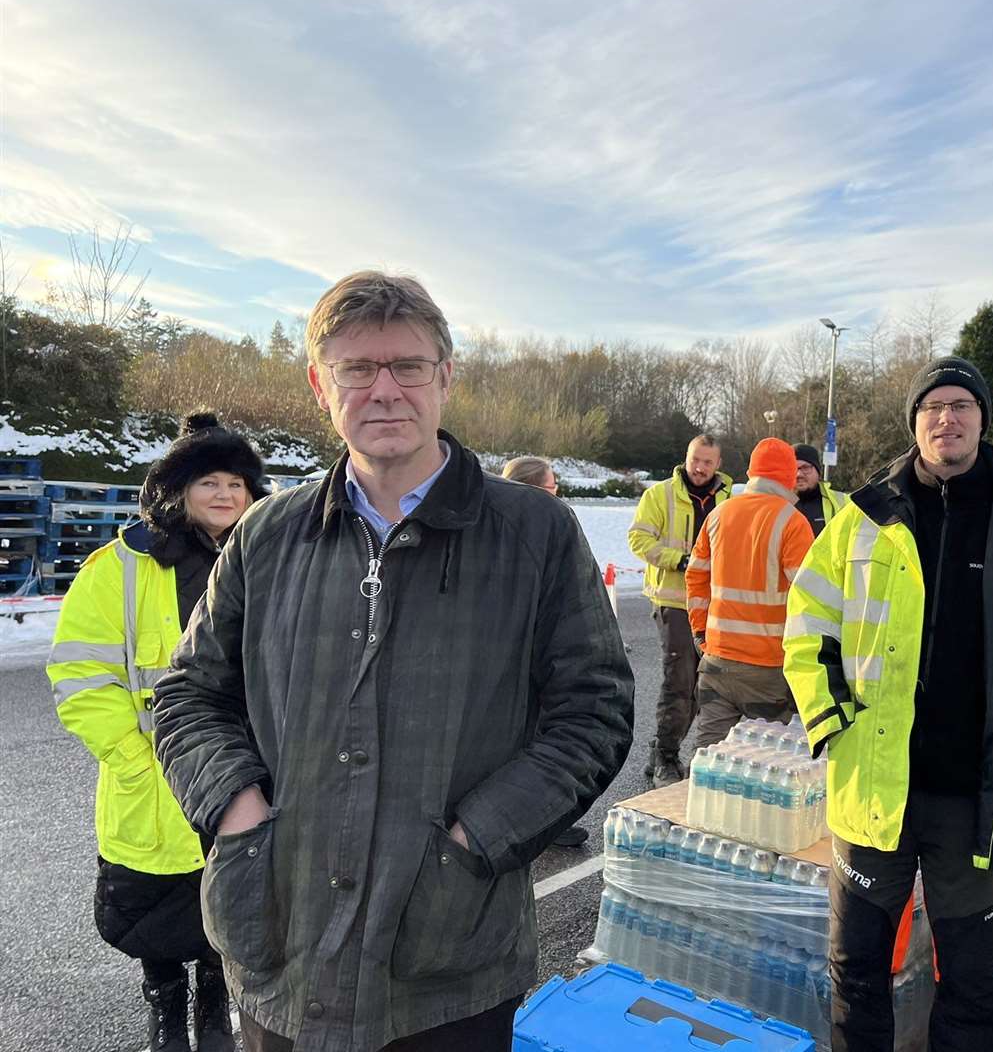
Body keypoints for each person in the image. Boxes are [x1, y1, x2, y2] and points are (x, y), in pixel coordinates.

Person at [153, 271, 634, 1052]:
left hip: (449, 962)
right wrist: (240, 815)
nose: (384, 390)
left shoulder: (535, 533)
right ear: (320, 385)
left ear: (444, 378)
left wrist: (473, 842)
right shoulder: (268, 534)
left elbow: (594, 714)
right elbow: (186, 695)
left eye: (407, 366)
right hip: (283, 943)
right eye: (356, 369)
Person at [783, 357, 993, 1052]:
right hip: (873, 791)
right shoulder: (861, 518)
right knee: (857, 973)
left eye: (961, 405)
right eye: (933, 407)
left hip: (978, 802)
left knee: (977, 989)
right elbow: (808, 624)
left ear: (983, 421)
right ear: (915, 422)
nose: (946, 418)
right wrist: (828, 719)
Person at [49, 410, 267, 1052]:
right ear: (177, 492)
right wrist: (134, 758)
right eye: (209, 482)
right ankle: (167, 1007)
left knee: (233, 902)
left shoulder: (273, 560)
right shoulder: (116, 568)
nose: (226, 494)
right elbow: (81, 678)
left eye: (237, 482)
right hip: (153, 778)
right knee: (155, 909)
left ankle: (215, 1005)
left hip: (246, 774)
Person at [685, 438, 814, 749]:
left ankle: (692, 796)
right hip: (769, 668)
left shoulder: (719, 514)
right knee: (767, 760)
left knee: (707, 757)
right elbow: (810, 595)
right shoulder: (793, 522)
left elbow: (695, 577)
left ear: (752, 472)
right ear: (787, 476)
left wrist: (701, 631)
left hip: (717, 660)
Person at [627, 434, 732, 784]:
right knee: (680, 678)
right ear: (685, 457)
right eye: (694, 460)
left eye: (707, 462)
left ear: (718, 465)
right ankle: (667, 757)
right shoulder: (660, 495)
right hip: (672, 600)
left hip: (714, 604)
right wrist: (680, 561)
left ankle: (662, 747)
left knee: (703, 683)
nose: (699, 468)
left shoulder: (729, 499)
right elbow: (638, 539)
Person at [501, 454, 587, 848]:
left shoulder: (500, 525)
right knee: (538, 738)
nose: (558, 496)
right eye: (553, 488)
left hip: (520, 652)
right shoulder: (534, 530)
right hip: (528, 652)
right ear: (535, 489)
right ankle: (538, 822)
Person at [791, 443, 847, 537]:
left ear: (818, 471)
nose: (799, 474)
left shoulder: (841, 502)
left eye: (805, 468)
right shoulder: (777, 503)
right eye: (793, 468)